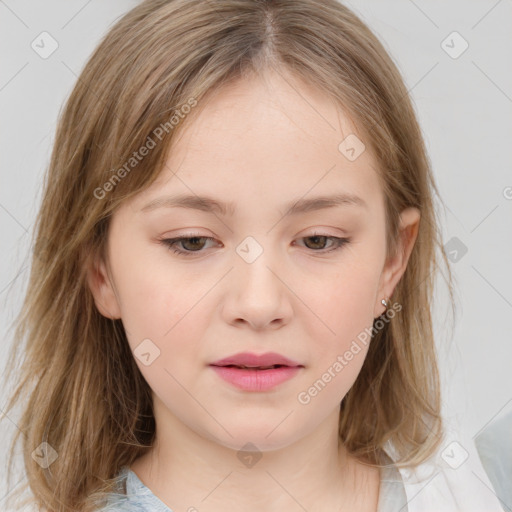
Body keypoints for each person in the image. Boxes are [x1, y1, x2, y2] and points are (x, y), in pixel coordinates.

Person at [1, 0, 506, 511]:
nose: (260, 304)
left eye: (318, 240)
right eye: (192, 241)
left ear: (393, 260)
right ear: (100, 270)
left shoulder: (485, 490)